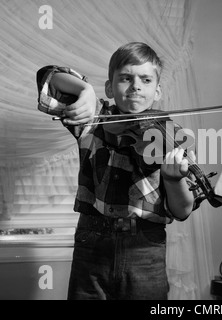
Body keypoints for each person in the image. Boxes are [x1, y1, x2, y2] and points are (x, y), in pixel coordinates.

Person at [36, 42, 198, 300]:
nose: (135, 86)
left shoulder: (172, 136)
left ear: (157, 91)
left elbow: (183, 210)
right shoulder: (94, 119)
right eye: (125, 78)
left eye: (146, 80)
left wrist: (172, 178)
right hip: (92, 243)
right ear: (110, 88)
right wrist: (84, 90)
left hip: (145, 248)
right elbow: (49, 76)